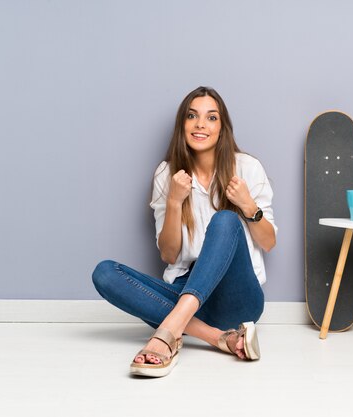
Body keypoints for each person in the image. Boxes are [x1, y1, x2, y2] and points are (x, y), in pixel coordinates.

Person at [92, 86, 277, 378]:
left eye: (211, 117)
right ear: (183, 125)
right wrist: (175, 202)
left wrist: (248, 205)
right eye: (192, 116)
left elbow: (268, 242)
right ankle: (219, 338)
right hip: (184, 289)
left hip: (237, 300)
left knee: (225, 221)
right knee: (104, 273)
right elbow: (168, 253)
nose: (201, 124)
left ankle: (168, 333)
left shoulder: (247, 168)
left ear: (222, 128)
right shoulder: (167, 174)